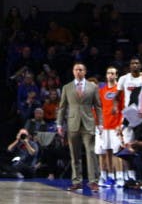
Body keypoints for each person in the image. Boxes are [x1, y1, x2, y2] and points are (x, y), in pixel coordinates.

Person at [57, 62, 102, 192]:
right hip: (72, 123)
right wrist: (59, 124)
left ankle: (93, 181)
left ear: (85, 71)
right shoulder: (67, 87)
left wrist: (100, 123)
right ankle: (77, 181)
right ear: (73, 71)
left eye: (81, 69)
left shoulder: (92, 87)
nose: (78, 72)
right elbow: (62, 107)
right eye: (76, 69)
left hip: (88, 123)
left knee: (91, 152)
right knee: (74, 154)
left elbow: (98, 106)